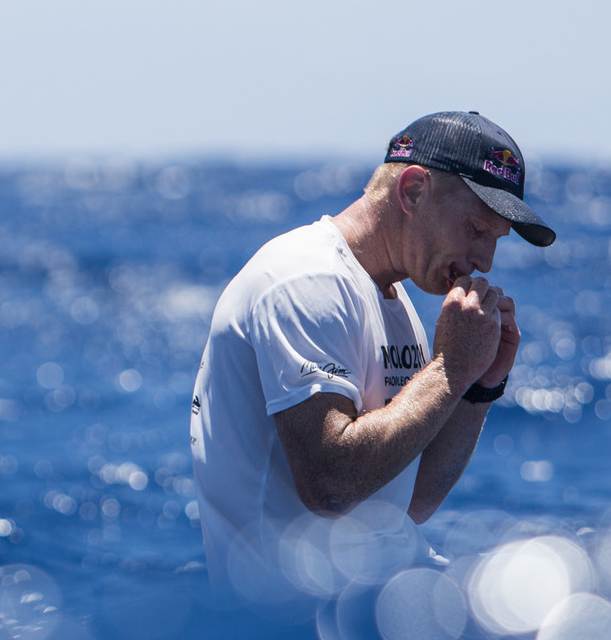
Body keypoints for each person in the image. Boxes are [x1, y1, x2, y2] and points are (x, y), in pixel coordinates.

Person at [188, 111, 556, 600]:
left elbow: (409, 500)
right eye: (475, 229)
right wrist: (448, 370)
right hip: (289, 637)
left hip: (369, 615)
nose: (484, 260)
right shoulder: (308, 280)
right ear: (412, 191)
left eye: (494, 240)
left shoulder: (390, 296)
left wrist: (479, 387)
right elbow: (331, 483)